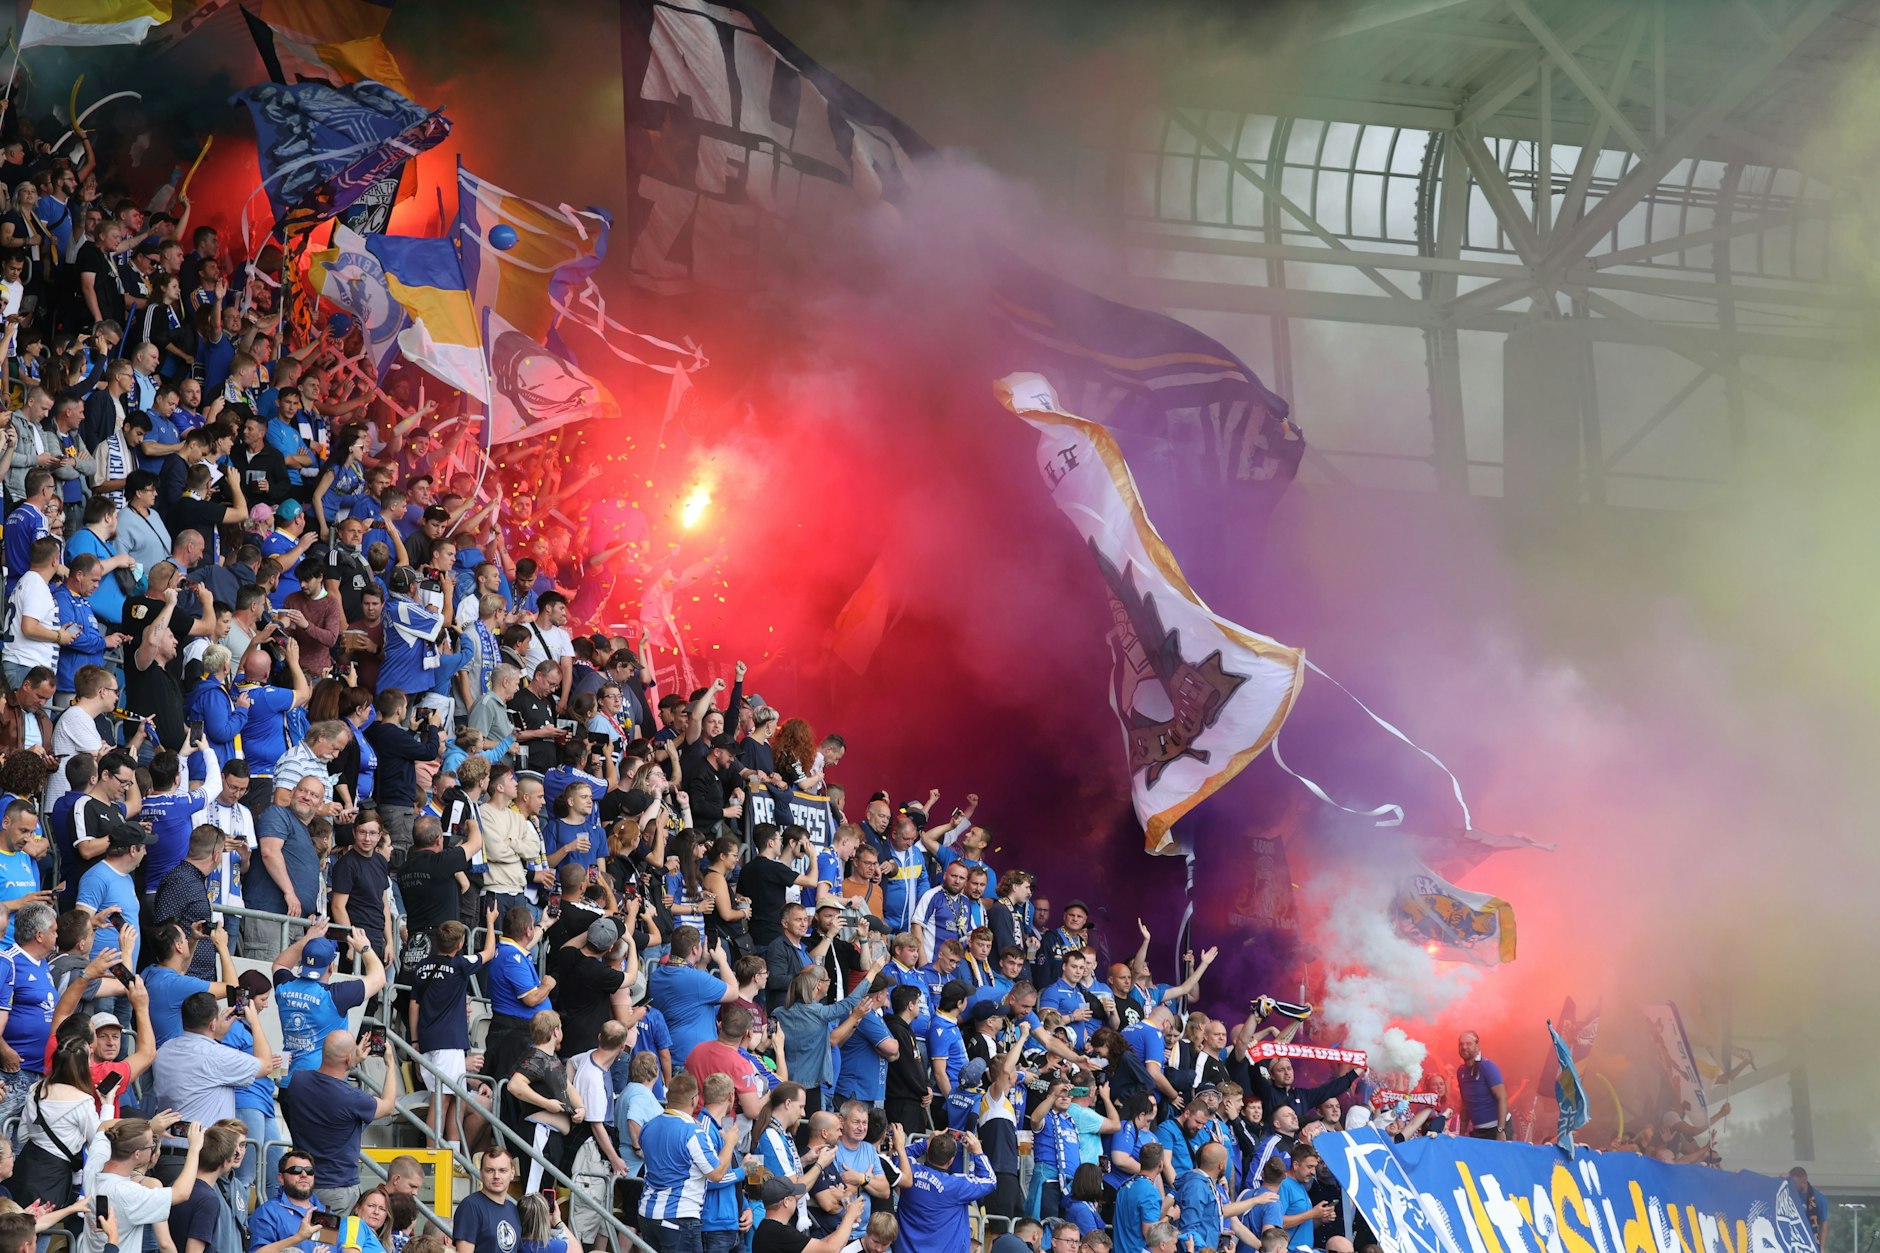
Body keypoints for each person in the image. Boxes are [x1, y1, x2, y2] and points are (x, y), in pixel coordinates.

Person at [282, 1029, 399, 1215]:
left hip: (303, 1182)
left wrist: (350, 1061)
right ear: (347, 1058)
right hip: (337, 1189)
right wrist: (390, 1064)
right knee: (333, 1235)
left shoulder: (298, 1081)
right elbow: (388, 1106)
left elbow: (330, 1083)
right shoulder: (352, 1098)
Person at [270, 922, 385, 1087]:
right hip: (324, 1085)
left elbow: (279, 964)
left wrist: (307, 939)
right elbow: (379, 978)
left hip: (289, 1084)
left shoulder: (284, 987)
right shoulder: (335, 996)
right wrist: (365, 948)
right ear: (331, 966)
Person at [637, 1072, 738, 1251]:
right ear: (694, 1100)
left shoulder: (648, 1126)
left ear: (668, 1096)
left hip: (647, 1214)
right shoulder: (693, 1132)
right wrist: (730, 1142)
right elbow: (716, 1174)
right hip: (678, 1216)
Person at [78, 1117, 205, 1253]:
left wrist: (149, 1125)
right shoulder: (128, 1193)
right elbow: (181, 1193)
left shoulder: (94, 1166)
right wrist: (194, 1149)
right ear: (137, 1154)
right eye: (151, 1146)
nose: (153, 1149)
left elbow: (104, 1126)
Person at [151, 989, 272, 1128]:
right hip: (205, 1140)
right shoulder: (219, 1056)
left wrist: (217, 1038)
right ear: (213, 1024)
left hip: (168, 1136)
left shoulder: (164, 1050)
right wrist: (254, 1022)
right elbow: (266, 1066)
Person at [887, 1123, 996, 1253]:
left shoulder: (908, 1171)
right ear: (951, 1160)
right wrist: (978, 1151)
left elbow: (898, 1154)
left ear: (928, 1151)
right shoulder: (955, 1185)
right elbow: (990, 1181)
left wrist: (925, 1143)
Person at [485, 906, 557, 1080]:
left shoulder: (509, 949)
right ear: (527, 930)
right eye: (532, 925)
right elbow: (531, 999)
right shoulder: (512, 958)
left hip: (516, 1031)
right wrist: (547, 985)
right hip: (514, 1033)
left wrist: (544, 924)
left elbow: (527, 943)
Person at [752, 1174, 863, 1253]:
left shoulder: (769, 1229)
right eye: (794, 1196)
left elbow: (820, 1246)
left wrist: (848, 1223)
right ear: (786, 1202)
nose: (796, 1199)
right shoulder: (777, 1232)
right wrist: (850, 1216)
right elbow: (830, 1249)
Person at [246, 1149, 326, 1253]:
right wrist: (298, 1237)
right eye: (296, 1170)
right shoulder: (267, 1212)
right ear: (281, 1178)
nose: (304, 1174)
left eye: (309, 1171)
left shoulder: (326, 1212)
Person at [452, 1148, 521, 1253]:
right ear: (481, 1173)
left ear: (512, 1173)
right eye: (490, 1170)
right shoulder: (470, 1206)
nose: (496, 1176)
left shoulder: (513, 1209)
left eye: (502, 1170)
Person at [1279, 1147, 1333, 1252]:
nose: (1313, 1172)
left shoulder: (1301, 1185)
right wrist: (1312, 1213)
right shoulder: (1284, 1185)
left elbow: (1302, 1225)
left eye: (1314, 1167)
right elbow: (1277, 1222)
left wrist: (1320, 1219)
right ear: (1296, 1165)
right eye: (1309, 1167)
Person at [1455, 1031, 1506, 1139]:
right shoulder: (1461, 1071)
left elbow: (1502, 1098)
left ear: (1477, 1046)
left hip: (1496, 1128)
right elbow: (1465, 1104)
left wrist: (1500, 1130)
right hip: (1478, 1131)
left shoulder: (1487, 1067)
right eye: (1461, 1044)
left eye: (1469, 1043)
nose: (1464, 1047)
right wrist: (1461, 1134)